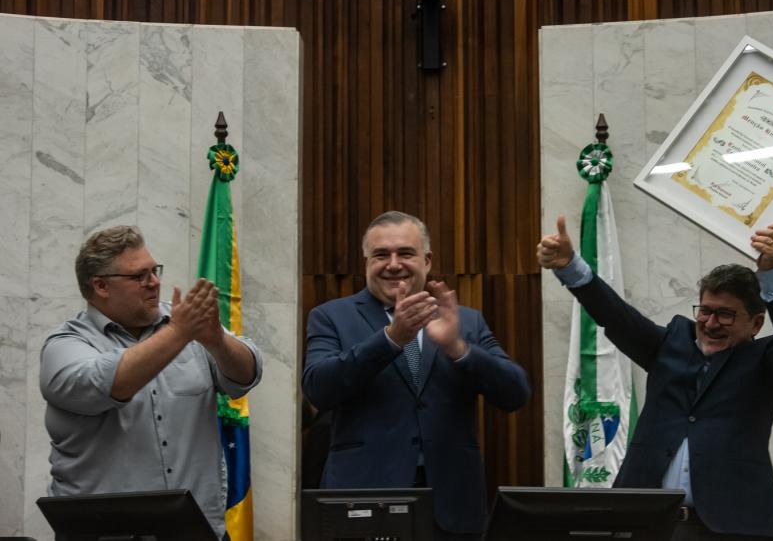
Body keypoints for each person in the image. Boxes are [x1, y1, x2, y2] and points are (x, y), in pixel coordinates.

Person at [538, 217, 773, 541]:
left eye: (725, 314)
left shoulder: (767, 365)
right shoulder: (669, 345)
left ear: (755, 324)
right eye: (705, 310)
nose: (711, 323)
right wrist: (571, 268)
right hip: (648, 525)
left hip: (732, 528)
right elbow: (616, 316)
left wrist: (770, 271)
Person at [302, 211, 531, 540]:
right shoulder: (330, 316)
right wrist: (391, 339)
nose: (393, 264)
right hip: (363, 501)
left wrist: (458, 348)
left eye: (405, 253)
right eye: (381, 254)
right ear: (366, 261)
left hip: (451, 504)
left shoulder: (466, 322)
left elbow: (516, 393)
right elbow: (317, 389)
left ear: (427, 260)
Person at [40, 225, 263, 540]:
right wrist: (180, 333)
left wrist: (217, 341)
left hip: (195, 530)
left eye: (154, 271)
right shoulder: (64, 346)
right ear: (101, 285)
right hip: (103, 534)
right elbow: (110, 384)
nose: (154, 283)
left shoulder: (184, 322)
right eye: (139, 276)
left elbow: (247, 375)